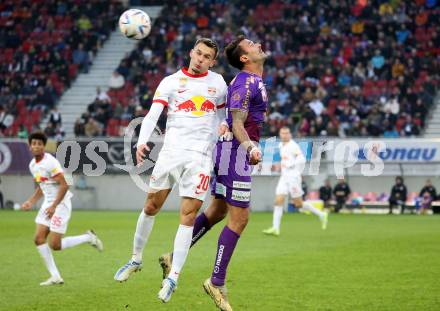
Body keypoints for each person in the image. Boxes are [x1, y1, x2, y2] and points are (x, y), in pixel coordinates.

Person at [113, 38, 229, 304]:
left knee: (188, 216)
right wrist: (142, 140)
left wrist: (223, 127)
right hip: (170, 155)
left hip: (200, 158)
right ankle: (135, 259)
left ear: (212, 61)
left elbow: (223, 117)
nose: (200, 58)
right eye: (198, 53)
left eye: (207, 56)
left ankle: (173, 277)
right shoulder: (170, 81)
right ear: (191, 53)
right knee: (151, 206)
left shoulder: (218, 83)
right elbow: (154, 114)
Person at [158, 35, 268, 311]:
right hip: (236, 153)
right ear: (244, 58)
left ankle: (173, 256)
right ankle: (216, 281)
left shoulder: (252, 81)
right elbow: (238, 123)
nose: (258, 45)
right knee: (240, 218)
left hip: (230, 151)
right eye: (252, 45)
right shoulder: (245, 82)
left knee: (218, 209)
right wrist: (250, 149)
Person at [21, 131, 103, 286]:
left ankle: (88, 237)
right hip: (48, 204)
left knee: (55, 245)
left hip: (61, 204)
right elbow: (42, 185)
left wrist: (54, 206)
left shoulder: (50, 162)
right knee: (38, 239)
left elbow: (65, 184)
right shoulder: (32, 165)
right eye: (34, 143)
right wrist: (31, 201)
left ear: (43, 147)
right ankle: (55, 276)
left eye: (39, 144)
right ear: (30, 146)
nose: (36, 146)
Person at [262, 127, 328, 236]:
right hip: (284, 177)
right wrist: (277, 166)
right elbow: (284, 161)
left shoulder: (293, 146)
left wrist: (291, 165)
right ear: (280, 134)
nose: (285, 135)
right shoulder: (281, 145)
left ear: (290, 135)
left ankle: (321, 214)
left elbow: (301, 158)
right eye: (283, 133)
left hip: (293, 177)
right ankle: (275, 228)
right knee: (278, 201)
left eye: (287, 133)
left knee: (299, 204)